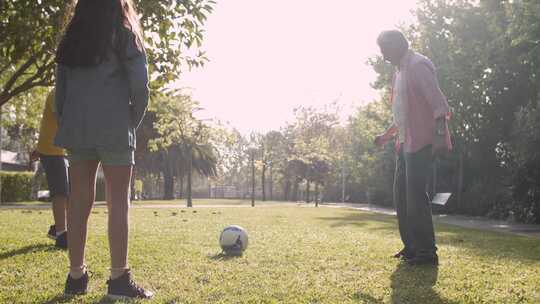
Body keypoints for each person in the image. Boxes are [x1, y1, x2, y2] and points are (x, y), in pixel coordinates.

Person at [54, 0, 152, 298]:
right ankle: (119, 278)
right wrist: (130, 122)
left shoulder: (72, 37)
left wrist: (68, 124)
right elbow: (141, 87)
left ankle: (75, 277)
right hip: (114, 126)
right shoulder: (124, 33)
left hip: (77, 127)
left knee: (79, 201)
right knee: (118, 202)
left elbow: (61, 92)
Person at [374, 30, 452, 266]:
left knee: (415, 197)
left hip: (422, 142)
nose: (383, 55)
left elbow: (439, 105)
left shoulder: (418, 65)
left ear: (398, 45)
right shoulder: (399, 72)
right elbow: (403, 113)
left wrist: (439, 136)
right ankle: (412, 247)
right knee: (401, 197)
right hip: (404, 143)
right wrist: (386, 136)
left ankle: (427, 253)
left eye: (385, 49)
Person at [30, 89, 68, 250]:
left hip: (57, 150)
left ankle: (58, 228)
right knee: (60, 192)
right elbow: (62, 120)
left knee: (68, 192)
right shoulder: (56, 94)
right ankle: (61, 234)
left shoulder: (64, 93)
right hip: (52, 151)